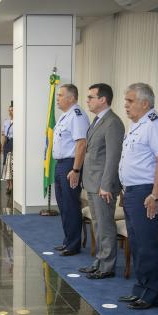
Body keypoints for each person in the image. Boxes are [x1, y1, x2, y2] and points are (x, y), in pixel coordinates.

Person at [117, 83, 158, 309]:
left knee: (147, 244)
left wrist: (156, 195)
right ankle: (141, 288)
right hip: (132, 191)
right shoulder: (137, 125)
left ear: (145, 103)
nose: (126, 105)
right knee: (137, 242)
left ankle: (152, 293)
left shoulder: (154, 125)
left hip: (146, 192)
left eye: (130, 101)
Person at [80, 83, 124, 279]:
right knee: (97, 224)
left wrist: (106, 184)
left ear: (103, 99)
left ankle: (107, 266)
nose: (87, 100)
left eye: (91, 97)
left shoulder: (113, 122)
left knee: (105, 225)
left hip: (103, 185)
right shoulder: (97, 120)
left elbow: (113, 157)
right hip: (92, 182)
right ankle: (99, 260)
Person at [52, 84, 89, 257]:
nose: (57, 98)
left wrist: (76, 170)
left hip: (70, 164)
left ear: (71, 98)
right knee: (63, 205)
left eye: (60, 95)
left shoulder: (77, 115)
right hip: (60, 163)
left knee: (71, 204)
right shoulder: (64, 116)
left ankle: (74, 244)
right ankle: (68, 240)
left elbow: (81, 143)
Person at [1, 103, 14, 194]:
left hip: (15, 143)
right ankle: (8, 183)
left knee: (13, 164)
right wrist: (2, 146)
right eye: (9, 110)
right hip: (7, 143)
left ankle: (13, 184)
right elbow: (3, 135)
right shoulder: (6, 121)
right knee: (6, 163)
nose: (10, 112)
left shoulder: (19, 121)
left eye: (12, 110)